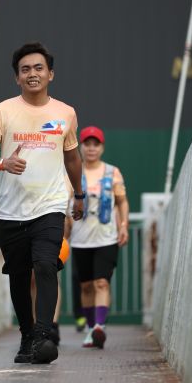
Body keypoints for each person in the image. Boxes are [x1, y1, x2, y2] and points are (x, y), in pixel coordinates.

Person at [0, 42, 84, 364]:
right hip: (11, 210)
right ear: (17, 78)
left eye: (38, 68)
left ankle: (42, 335)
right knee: (20, 276)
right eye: (25, 69)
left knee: (46, 265)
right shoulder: (2, 111)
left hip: (50, 205)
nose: (32, 73)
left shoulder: (65, 113)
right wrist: (2, 163)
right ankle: (26, 336)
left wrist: (79, 194)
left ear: (50, 74)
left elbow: (72, 158)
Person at [68, 126, 129, 349]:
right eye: (87, 144)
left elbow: (122, 202)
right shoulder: (72, 172)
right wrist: (63, 234)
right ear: (81, 147)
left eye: (96, 144)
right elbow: (65, 205)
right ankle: (90, 328)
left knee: (102, 283)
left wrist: (123, 226)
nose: (91, 148)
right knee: (86, 287)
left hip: (106, 237)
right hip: (80, 238)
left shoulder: (112, 172)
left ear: (102, 148)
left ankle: (99, 327)